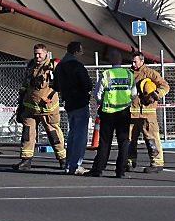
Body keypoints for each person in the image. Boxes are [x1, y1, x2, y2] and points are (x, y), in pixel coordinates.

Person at [12, 44, 67, 172]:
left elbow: (60, 84)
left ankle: (63, 160)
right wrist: (20, 104)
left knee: (53, 134)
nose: (37, 56)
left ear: (46, 53)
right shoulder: (31, 65)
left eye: (40, 54)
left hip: (47, 108)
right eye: (35, 53)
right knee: (27, 134)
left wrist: (51, 96)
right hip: (30, 107)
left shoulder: (53, 66)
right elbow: (25, 85)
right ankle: (26, 160)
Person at [88, 50, 134, 178]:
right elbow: (134, 93)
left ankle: (98, 169)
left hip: (108, 112)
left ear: (111, 60)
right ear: (121, 60)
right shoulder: (129, 74)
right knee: (124, 142)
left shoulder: (106, 74)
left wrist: (102, 102)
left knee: (104, 142)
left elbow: (97, 94)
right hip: (124, 112)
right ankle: (121, 171)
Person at [127, 51, 170, 174]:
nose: (133, 63)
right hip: (132, 113)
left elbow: (165, 86)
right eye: (132, 61)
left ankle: (157, 163)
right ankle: (129, 161)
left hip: (148, 113)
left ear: (142, 61)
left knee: (151, 139)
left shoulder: (150, 73)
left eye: (135, 61)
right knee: (129, 139)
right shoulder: (128, 74)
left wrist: (155, 95)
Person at [54, 41, 93, 175]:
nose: (82, 53)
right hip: (80, 102)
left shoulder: (60, 66)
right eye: (81, 51)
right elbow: (87, 84)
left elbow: (56, 85)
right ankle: (76, 164)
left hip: (69, 102)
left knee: (72, 133)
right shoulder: (77, 66)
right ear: (76, 51)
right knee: (80, 135)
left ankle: (69, 163)